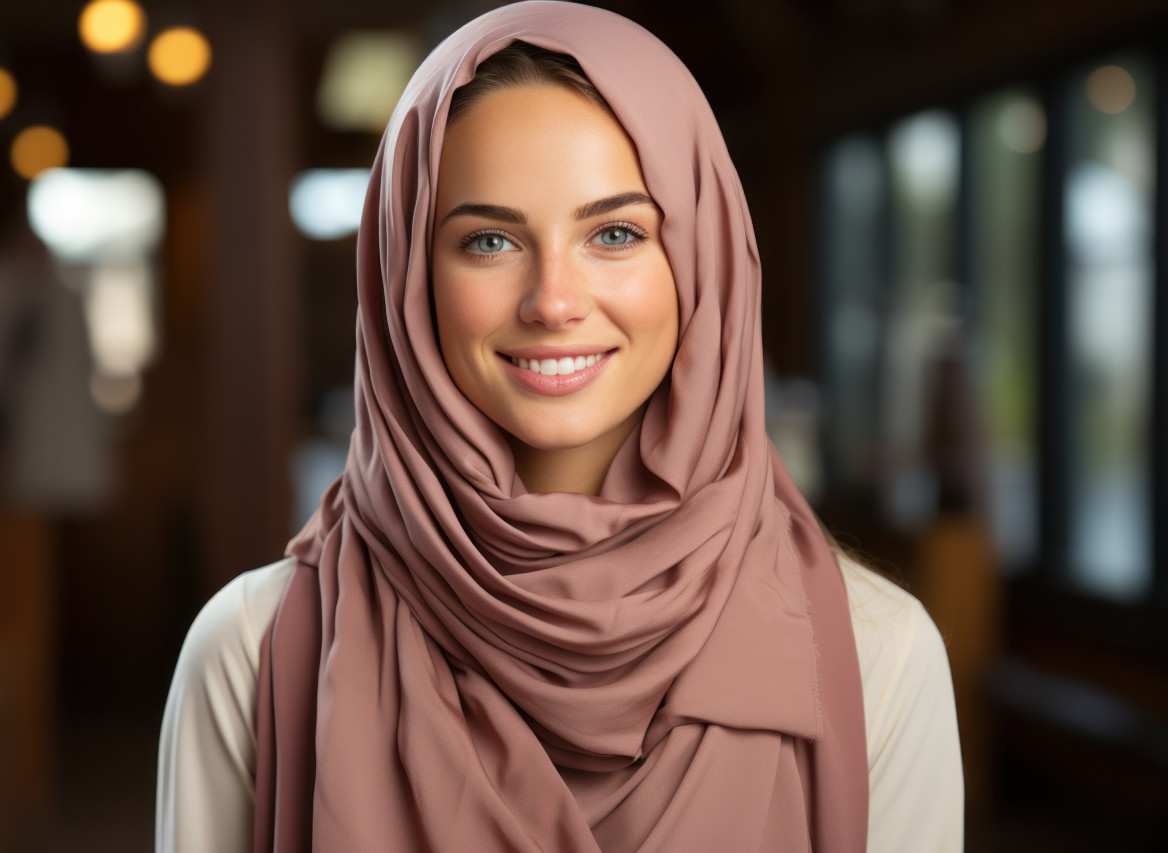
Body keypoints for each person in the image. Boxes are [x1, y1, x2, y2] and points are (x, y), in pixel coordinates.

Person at [157, 3, 963, 851]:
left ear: (704, 258)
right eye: (490, 242)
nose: (553, 300)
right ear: (405, 279)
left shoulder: (880, 661)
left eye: (613, 233)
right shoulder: (251, 653)